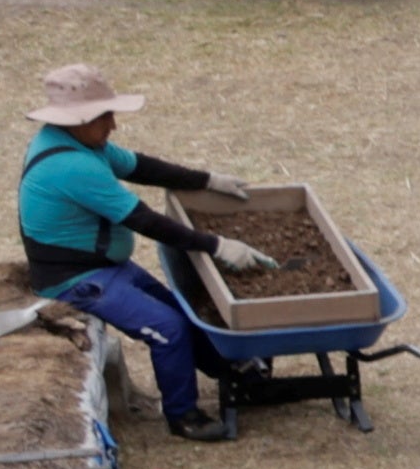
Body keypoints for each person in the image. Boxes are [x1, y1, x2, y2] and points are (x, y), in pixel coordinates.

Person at [17, 64, 265, 443]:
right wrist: (217, 245)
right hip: (77, 280)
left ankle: (234, 372)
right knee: (168, 329)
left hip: (106, 266)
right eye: (104, 116)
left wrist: (207, 180)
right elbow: (145, 221)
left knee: (181, 310)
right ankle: (183, 416)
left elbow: (141, 166)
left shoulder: (76, 142)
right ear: (77, 120)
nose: (113, 125)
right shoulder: (72, 165)